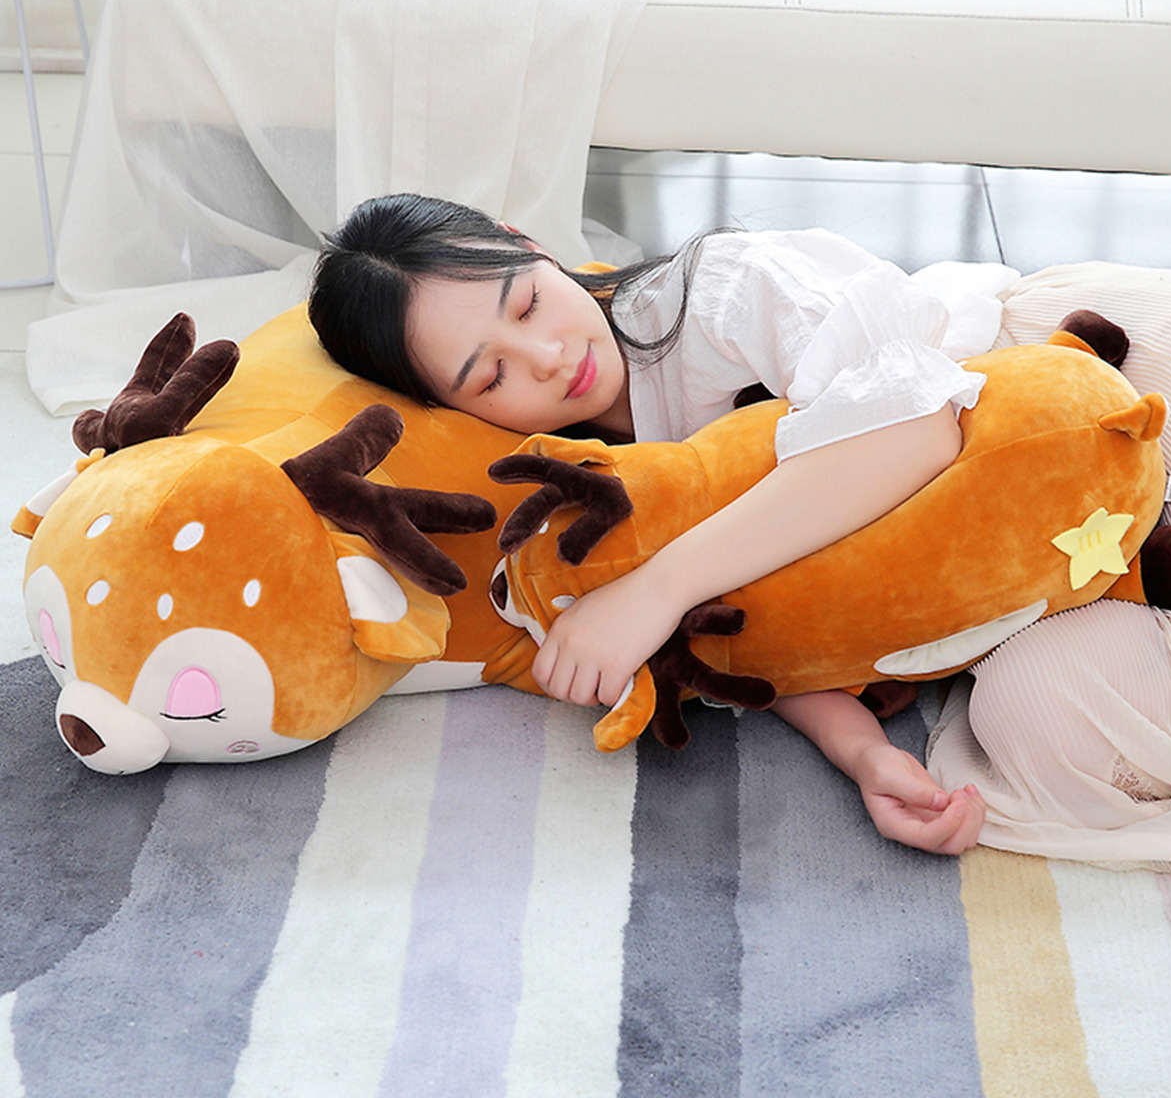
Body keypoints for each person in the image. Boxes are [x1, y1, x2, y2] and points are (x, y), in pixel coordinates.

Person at [310, 193, 1020, 855]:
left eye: (527, 305)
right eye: (491, 377)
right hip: (1006, 565)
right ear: (454, 414)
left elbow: (916, 427)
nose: (549, 358)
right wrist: (863, 752)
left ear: (526, 244)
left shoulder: (722, 294)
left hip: (1048, 379)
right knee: (1031, 740)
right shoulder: (576, 488)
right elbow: (772, 607)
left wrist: (656, 590)